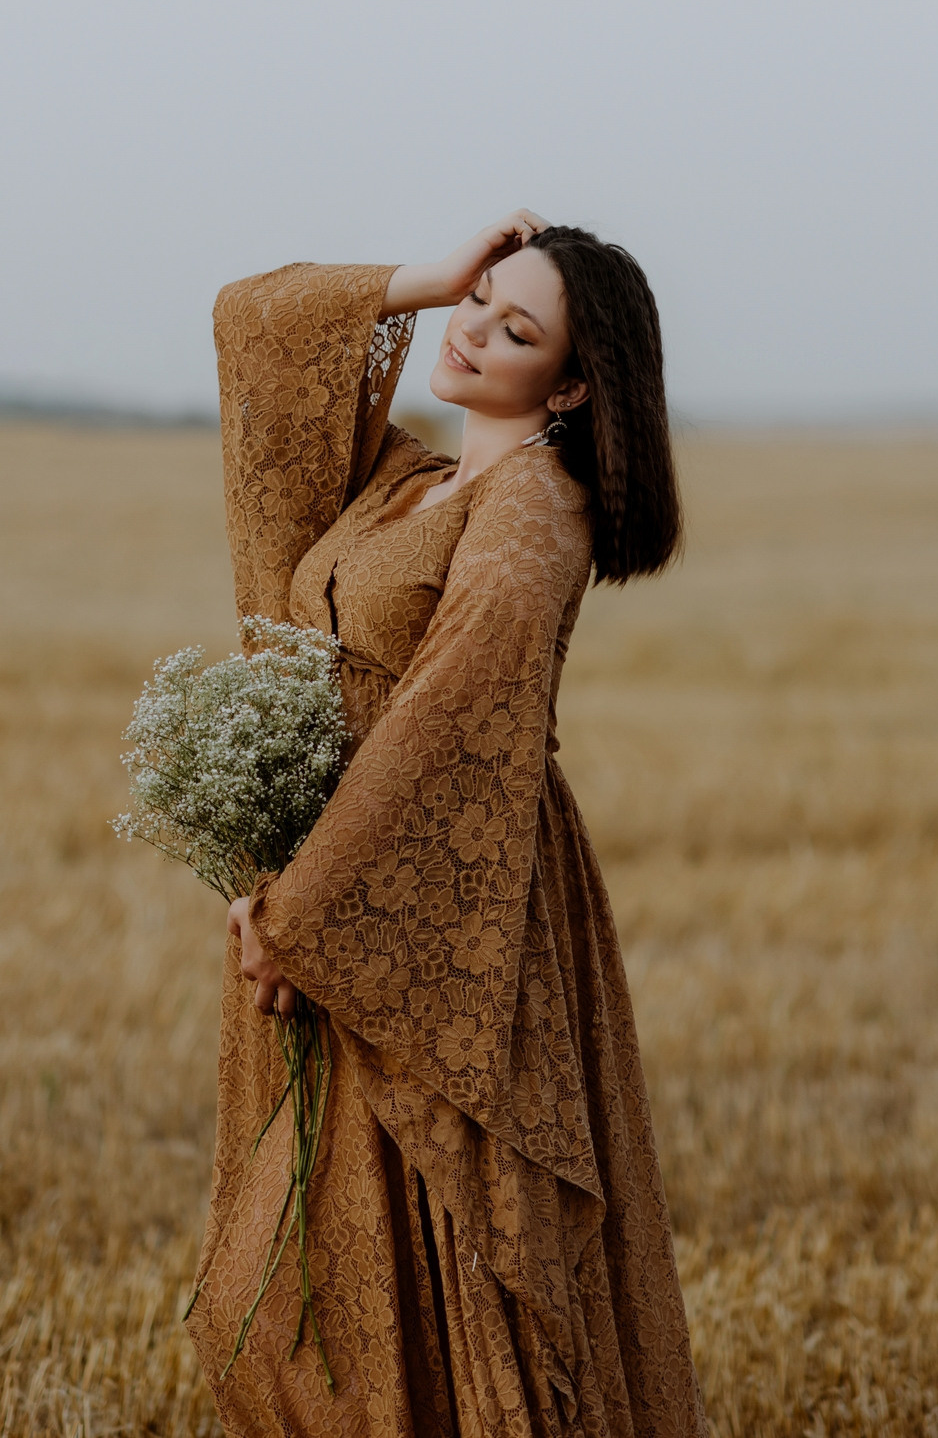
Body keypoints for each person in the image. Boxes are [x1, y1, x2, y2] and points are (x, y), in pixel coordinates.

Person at [187, 213, 707, 1438]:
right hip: (333, 883)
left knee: (410, 1263)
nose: (471, 334)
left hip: (433, 915)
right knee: (302, 1279)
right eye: (476, 302)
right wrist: (426, 279)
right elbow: (254, 330)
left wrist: (303, 919)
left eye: (514, 327)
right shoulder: (410, 480)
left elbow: (450, 731)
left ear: (573, 383)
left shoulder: (534, 512)